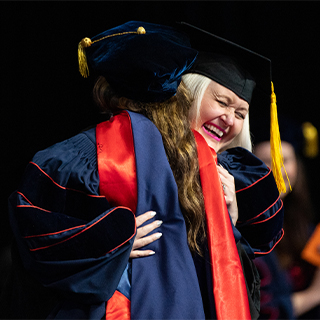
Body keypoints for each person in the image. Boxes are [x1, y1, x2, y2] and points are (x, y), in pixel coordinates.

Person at [0, 20, 283, 320]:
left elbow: (231, 293)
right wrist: (110, 242)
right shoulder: (98, 154)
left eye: (240, 113)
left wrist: (231, 224)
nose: (229, 118)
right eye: (221, 102)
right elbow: (36, 240)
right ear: (188, 95)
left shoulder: (227, 180)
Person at [251, 116, 320, 319]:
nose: (277, 170)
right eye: (266, 161)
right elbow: (262, 310)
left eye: (285, 160)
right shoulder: (247, 230)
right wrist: (314, 294)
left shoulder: (305, 226)